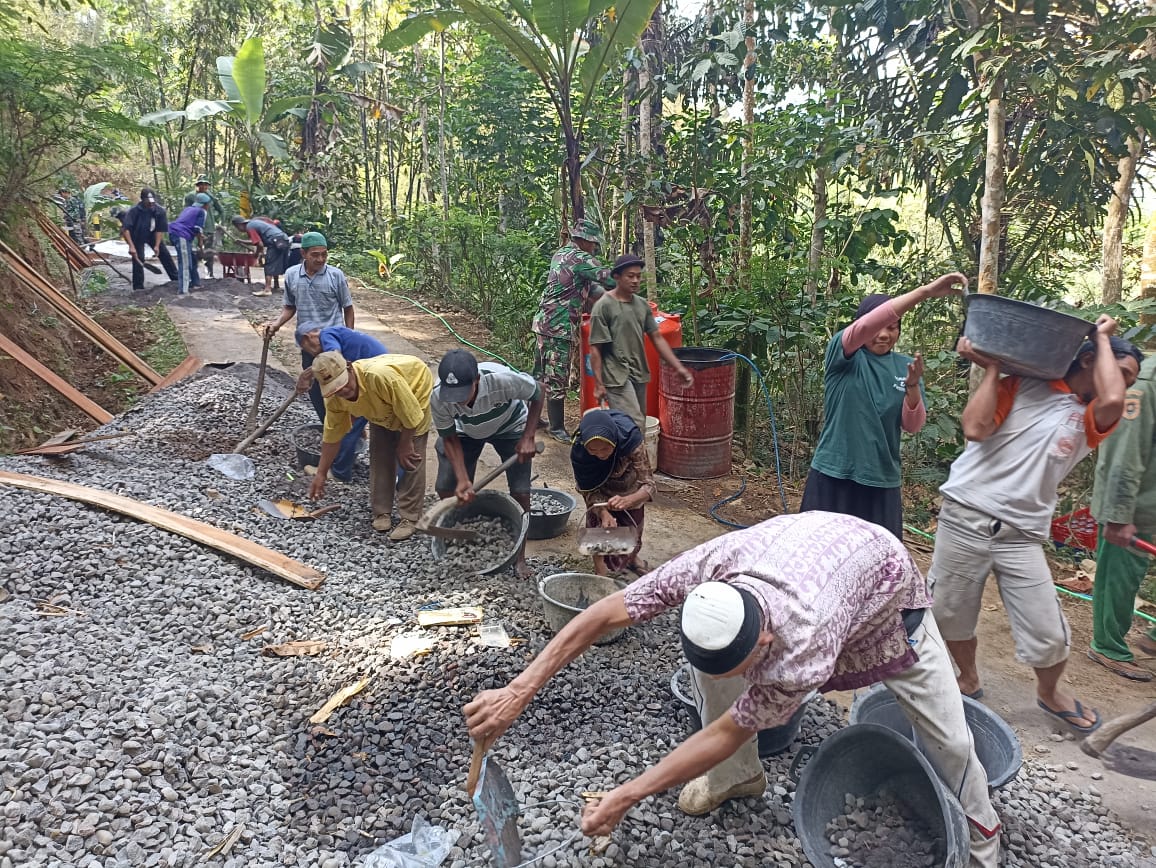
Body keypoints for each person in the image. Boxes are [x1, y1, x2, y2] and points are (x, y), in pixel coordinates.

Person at [464, 511, 1001, 868]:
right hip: (813, 552)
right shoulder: (710, 570)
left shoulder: (802, 645)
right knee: (715, 678)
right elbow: (606, 612)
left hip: (887, 597)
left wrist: (626, 796)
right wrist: (519, 689)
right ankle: (738, 776)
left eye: (743, 665)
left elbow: (728, 729)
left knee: (951, 742)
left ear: (765, 638)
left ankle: (984, 840)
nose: (732, 678)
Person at [929, 317, 1142, 735]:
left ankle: (1050, 692)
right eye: (1122, 373)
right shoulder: (1023, 385)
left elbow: (1114, 397)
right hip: (965, 515)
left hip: (1022, 533)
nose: (1124, 385)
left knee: (1048, 632)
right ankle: (968, 677)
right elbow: (974, 428)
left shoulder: (1096, 415)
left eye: (1130, 380)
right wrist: (993, 369)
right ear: (1089, 361)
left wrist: (1100, 337)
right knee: (949, 613)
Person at [800, 273, 966, 538]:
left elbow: (912, 426)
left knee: (877, 558)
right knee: (818, 551)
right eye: (879, 326)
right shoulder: (843, 355)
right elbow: (866, 326)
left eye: (893, 327)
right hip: (833, 475)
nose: (884, 334)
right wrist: (923, 292)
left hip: (881, 481)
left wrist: (913, 386)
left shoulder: (905, 366)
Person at [431, 349, 545, 577]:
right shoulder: (438, 397)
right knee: (446, 487)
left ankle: (519, 558)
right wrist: (462, 479)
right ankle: (461, 538)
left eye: (462, 393)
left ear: (477, 380)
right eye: (452, 395)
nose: (458, 401)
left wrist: (528, 437)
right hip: (465, 432)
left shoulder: (501, 381)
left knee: (521, 491)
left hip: (510, 426)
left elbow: (539, 390)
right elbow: (449, 438)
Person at [308, 350, 433, 541]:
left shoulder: (380, 377)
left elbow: (410, 413)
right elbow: (332, 436)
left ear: (350, 368)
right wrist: (321, 473)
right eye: (335, 389)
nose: (342, 391)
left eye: (343, 384)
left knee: (410, 459)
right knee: (380, 455)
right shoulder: (334, 398)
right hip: (380, 406)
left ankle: (410, 517)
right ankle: (382, 511)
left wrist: (405, 443)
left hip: (413, 390)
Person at [1088, 351, 1156, 681]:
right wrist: (1118, 514)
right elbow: (1125, 450)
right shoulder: (1145, 381)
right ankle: (1108, 645)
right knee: (1120, 575)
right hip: (1136, 504)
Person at [532, 219, 616, 442]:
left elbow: (586, 287)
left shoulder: (561, 253)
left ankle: (533, 418)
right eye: (593, 243)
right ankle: (556, 428)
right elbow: (609, 279)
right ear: (584, 240)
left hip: (543, 322)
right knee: (556, 375)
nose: (594, 247)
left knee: (540, 373)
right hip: (558, 326)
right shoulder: (581, 258)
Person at [588, 253, 694, 430]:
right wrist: (598, 384)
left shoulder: (642, 305)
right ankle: (635, 449)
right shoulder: (603, 306)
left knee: (638, 423)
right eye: (630, 276)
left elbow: (657, 338)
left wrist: (678, 367)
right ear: (617, 277)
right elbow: (595, 349)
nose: (635, 280)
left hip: (638, 371)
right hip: (616, 375)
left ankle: (625, 448)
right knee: (633, 423)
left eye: (638, 276)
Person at [263, 232, 355, 422]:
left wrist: (348, 337)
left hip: (334, 344)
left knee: (341, 386)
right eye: (315, 255)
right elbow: (290, 307)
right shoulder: (292, 275)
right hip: (309, 344)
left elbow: (348, 308)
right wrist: (276, 325)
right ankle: (326, 425)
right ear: (303, 254)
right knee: (314, 388)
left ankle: (350, 429)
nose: (320, 259)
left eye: (324, 254)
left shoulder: (335, 276)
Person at [295, 323, 388, 483]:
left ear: (308, 337)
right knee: (354, 419)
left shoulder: (326, 336)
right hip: (377, 373)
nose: (312, 353)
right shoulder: (336, 332)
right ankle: (355, 448)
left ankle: (340, 472)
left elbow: (334, 358)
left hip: (374, 377)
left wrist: (308, 375)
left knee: (346, 426)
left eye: (307, 348)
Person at [571, 409, 654, 577]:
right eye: (593, 450)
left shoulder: (631, 441)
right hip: (600, 490)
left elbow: (649, 485)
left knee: (632, 530)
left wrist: (631, 500)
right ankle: (600, 569)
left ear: (614, 441)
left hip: (628, 486)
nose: (600, 454)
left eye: (605, 448)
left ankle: (632, 559)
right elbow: (588, 490)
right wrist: (603, 512)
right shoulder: (580, 453)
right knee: (598, 530)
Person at [121, 189, 178, 290]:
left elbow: (160, 229)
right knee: (139, 259)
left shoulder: (160, 211)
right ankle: (138, 287)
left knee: (164, 254)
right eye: (148, 201)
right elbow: (126, 230)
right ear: (142, 200)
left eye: (152, 201)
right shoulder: (133, 211)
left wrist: (157, 245)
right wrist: (131, 246)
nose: (151, 204)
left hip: (152, 235)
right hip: (137, 235)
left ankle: (176, 279)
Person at [232, 215, 290, 297]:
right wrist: (241, 241)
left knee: (269, 264)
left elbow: (260, 245)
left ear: (239, 225)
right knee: (275, 263)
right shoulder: (256, 222)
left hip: (275, 241)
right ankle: (276, 286)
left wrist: (257, 254)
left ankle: (267, 290)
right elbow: (257, 241)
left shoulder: (249, 227)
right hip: (283, 239)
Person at [167, 193, 212, 297]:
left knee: (191, 259)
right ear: (206, 204)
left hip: (174, 232)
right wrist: (201, 244)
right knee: (185, 263)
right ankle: (183, 290)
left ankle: (195, 283)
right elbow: (197, 229)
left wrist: (200, 237)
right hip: (181, 234)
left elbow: (189, 225)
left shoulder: (188, 209)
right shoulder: (202, 211)